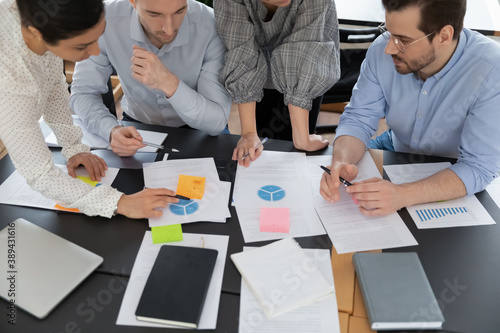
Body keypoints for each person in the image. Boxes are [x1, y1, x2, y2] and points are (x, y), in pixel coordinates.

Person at [320, 0, 500, 217]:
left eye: (403, 40)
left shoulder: (491, 71)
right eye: (388, 32)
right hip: (394, 144)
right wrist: (342, 160)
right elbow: (359, 118)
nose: (389, 48)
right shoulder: (381, 49)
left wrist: (401, 195)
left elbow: (478, 167)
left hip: (454, 167)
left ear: (444, 36)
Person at [0, 0, 178, 218]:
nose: (95, 52)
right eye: (82, 46)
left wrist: (74, 146)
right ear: (36, 33)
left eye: (97, 37)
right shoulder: (11, 80)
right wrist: (119, 202)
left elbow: (54, 87)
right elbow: (40, 175)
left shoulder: (47, 18)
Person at [70, 0, 232, 157]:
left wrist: (169, 83)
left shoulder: (211, 25)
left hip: (200, 131)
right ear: (133, 2)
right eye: (154, 14)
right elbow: (83, 93)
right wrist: (111, 130)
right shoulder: (104, 20)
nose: (168, 28)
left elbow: (216, 124)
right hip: (136, 126)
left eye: (180, 11)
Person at [214, 0, 340, 166]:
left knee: (298, 157)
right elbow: (241, 54)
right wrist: (248, 133)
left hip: (306, 72)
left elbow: (305, 52)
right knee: (264, 150)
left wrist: (302, 138)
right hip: (257, 76)